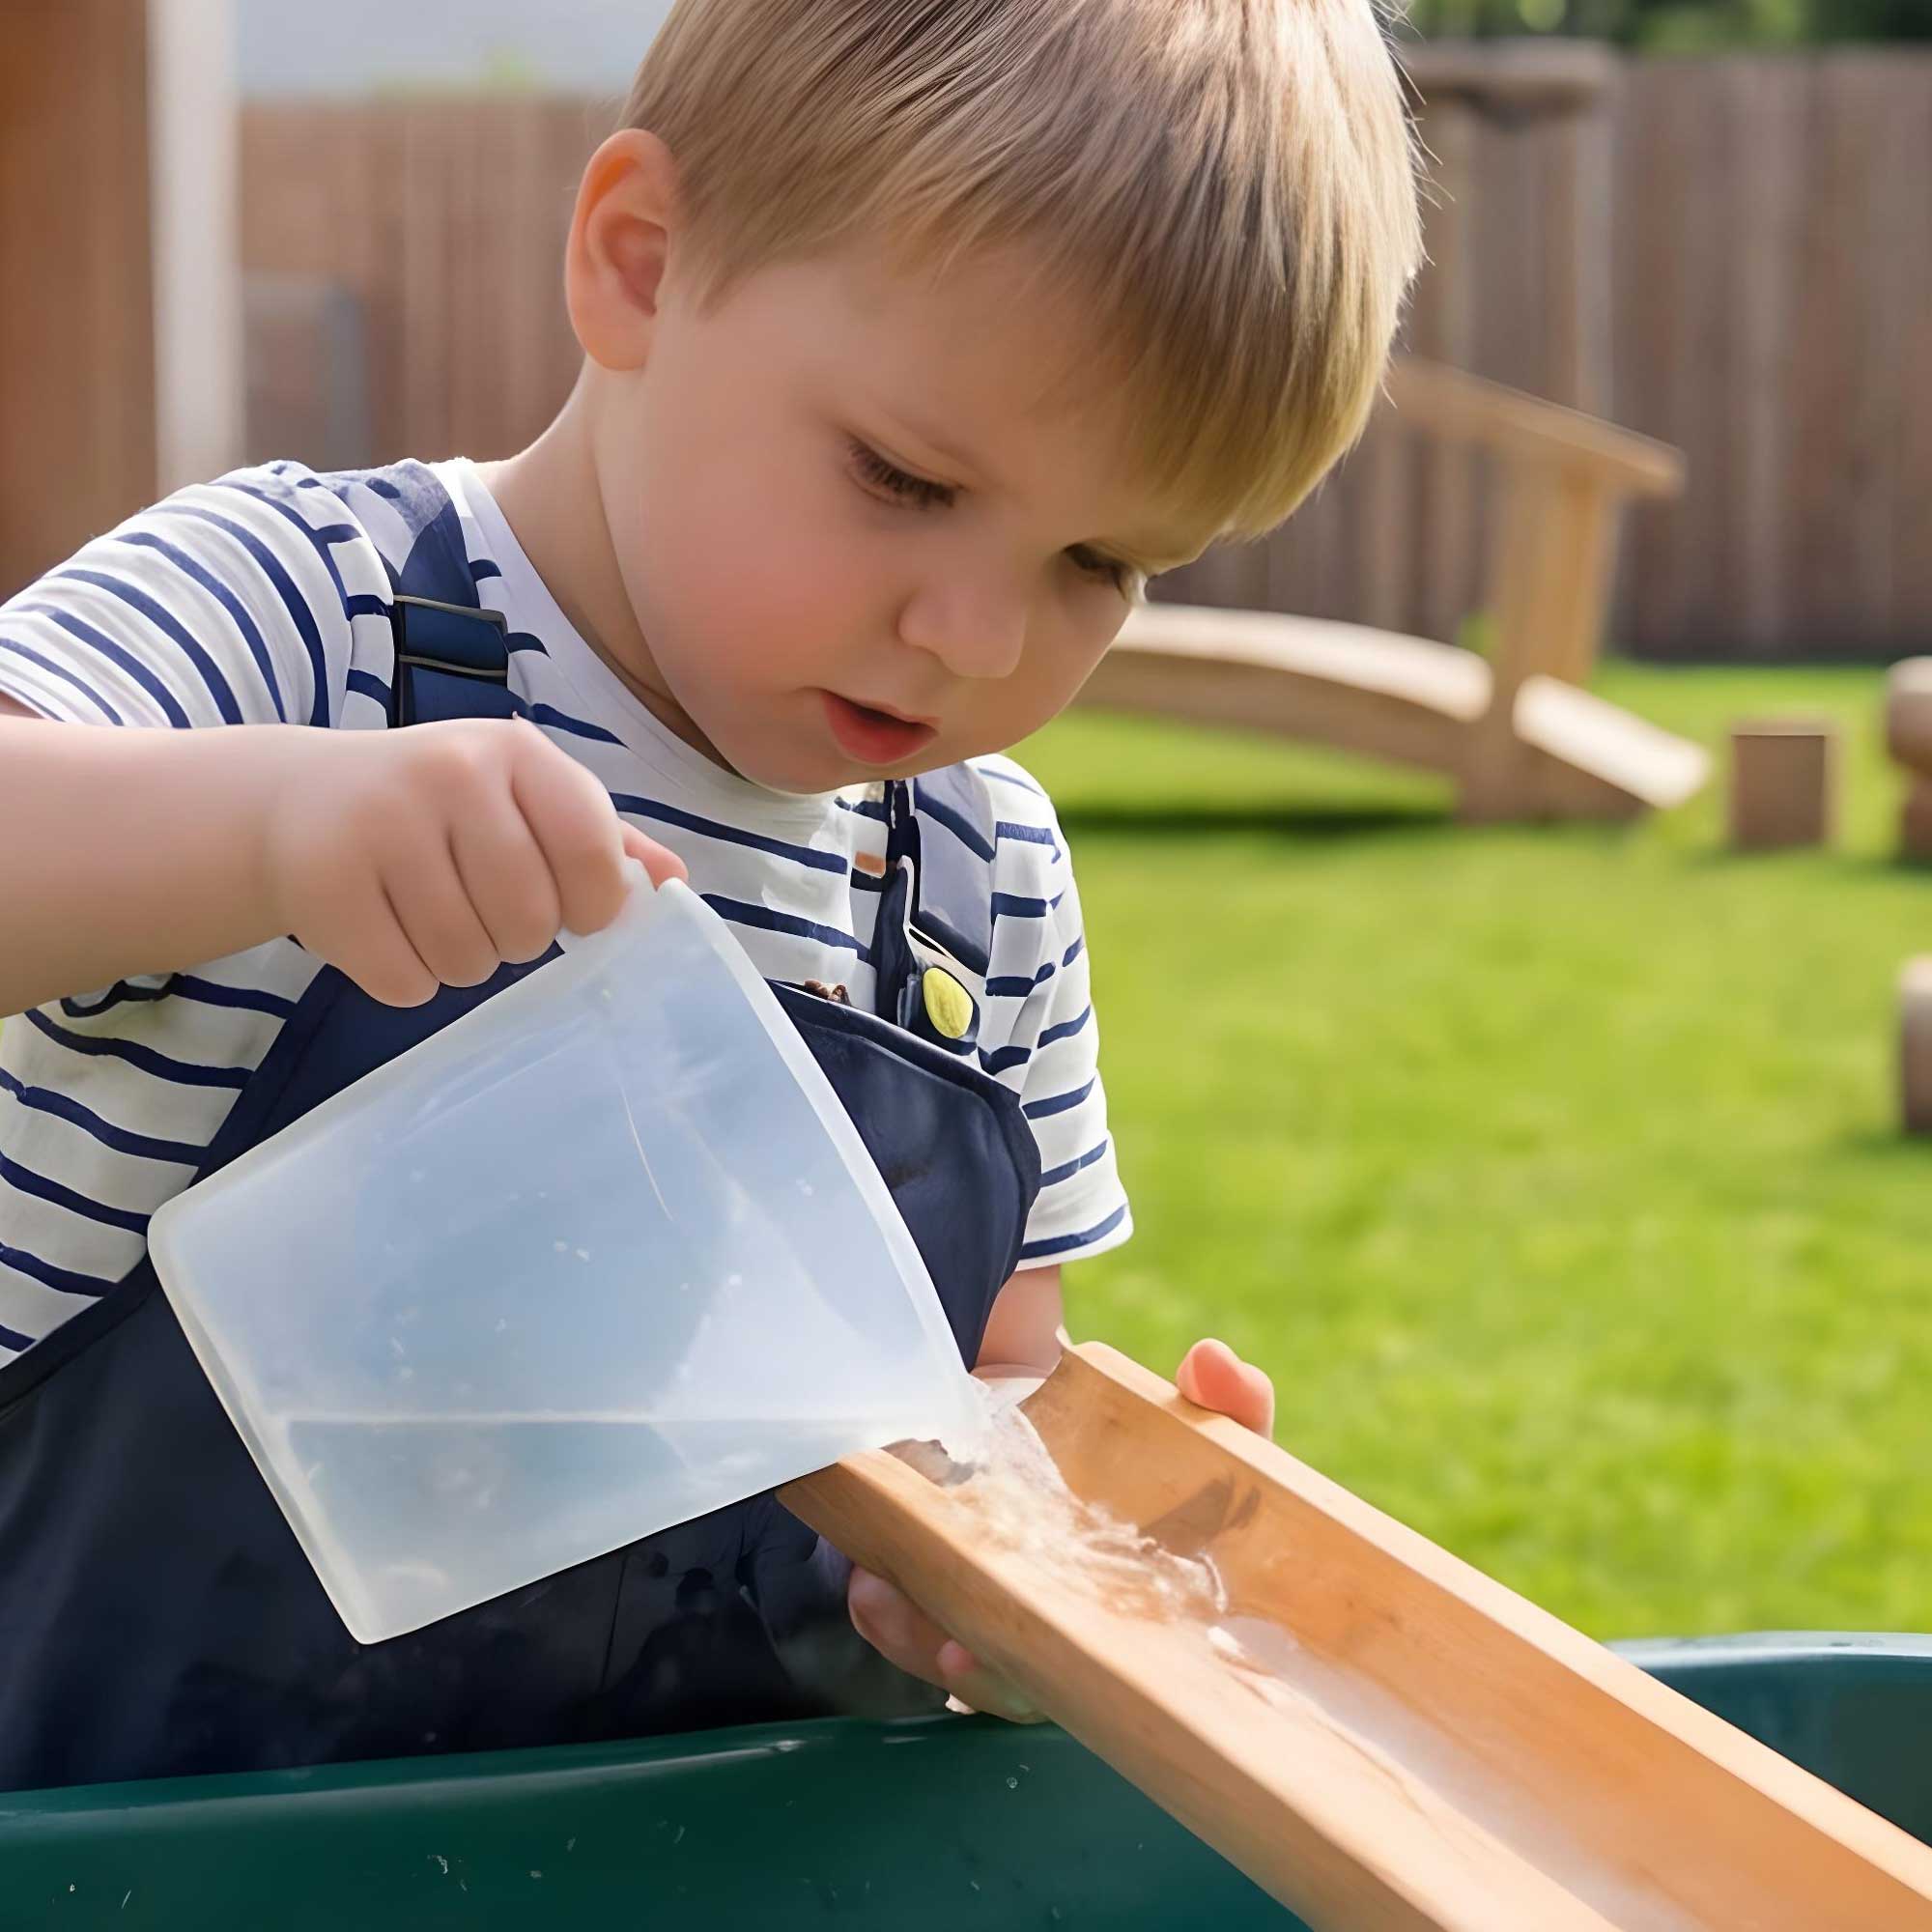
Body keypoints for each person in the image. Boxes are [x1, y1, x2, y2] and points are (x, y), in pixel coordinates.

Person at [0, 0, 1419, 1788]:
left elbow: (982, 1401)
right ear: (641, 269)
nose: (976, 635)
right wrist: (273, 824)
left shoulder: (975, 887)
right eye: (905, 478)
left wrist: (1015, 1582)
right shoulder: (310, 624)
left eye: (1100, 563)